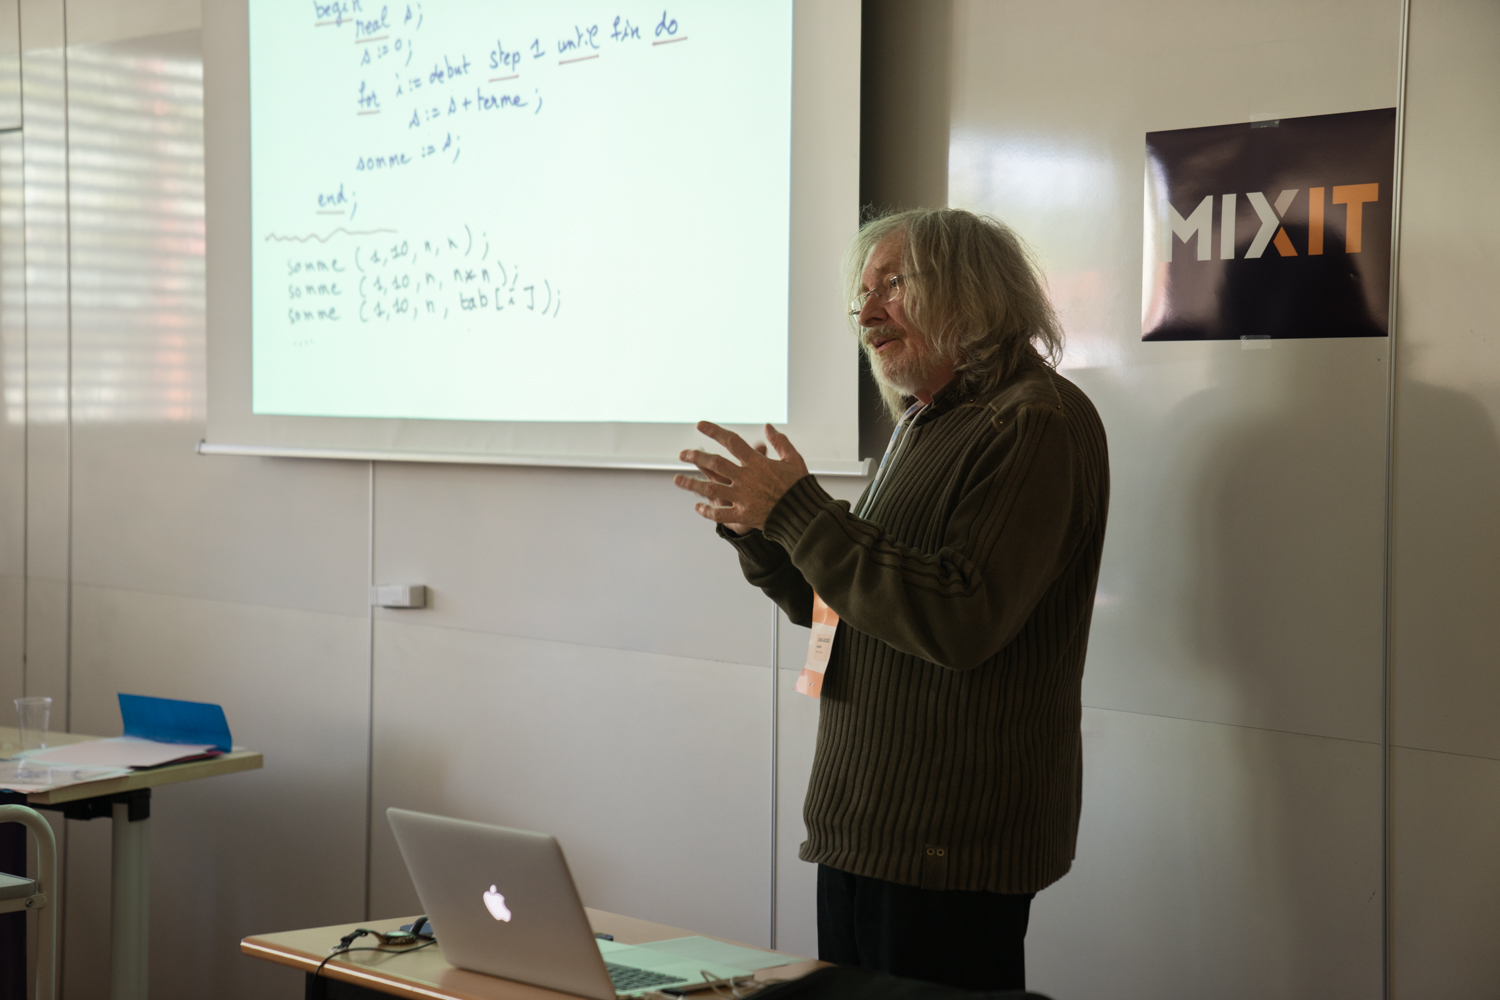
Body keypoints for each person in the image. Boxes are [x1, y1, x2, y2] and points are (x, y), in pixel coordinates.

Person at [673, 208, 1109, 991]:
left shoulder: (1033, 421)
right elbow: (848, 605)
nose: (866, 313)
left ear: (971, 291)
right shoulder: (925, 423)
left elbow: (960, 618)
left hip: (947, 845)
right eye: (861, 295)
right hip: (865, 829)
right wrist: (762, 531)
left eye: (892, 286)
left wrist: (799, 511)